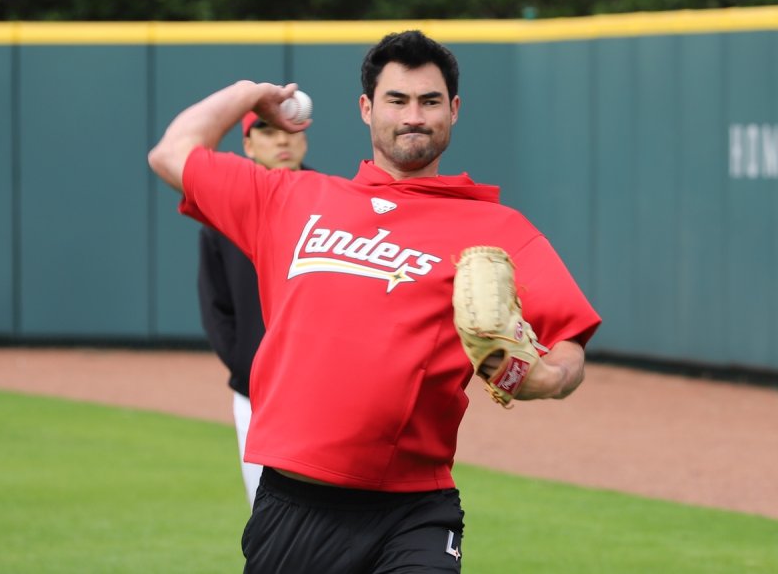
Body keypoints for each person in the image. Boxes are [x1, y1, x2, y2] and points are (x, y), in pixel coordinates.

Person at [149, 30, 601, 574]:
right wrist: (250, 93)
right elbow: (171, 153)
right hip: (294, 506)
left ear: (454, 111)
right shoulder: (289, 198)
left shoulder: (498, 230)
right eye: (397, 100)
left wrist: (544, 378)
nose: (414, 116)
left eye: (430, 101)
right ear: (366, 109)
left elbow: (568, 346)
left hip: (414, 510)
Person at [197, 112, 310, 509]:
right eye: (268, 132)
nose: (281, 141)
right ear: (247, 145)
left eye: (289, 132)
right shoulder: (224, 211)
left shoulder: (337, 205)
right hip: (255, 395)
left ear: (304, 140)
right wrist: (248, 369)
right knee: (265, 513)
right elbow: (216, 306)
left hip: (321, 391)